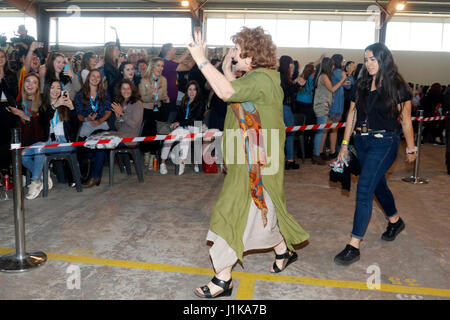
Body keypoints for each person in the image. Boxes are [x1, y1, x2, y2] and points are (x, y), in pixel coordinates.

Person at [187, 27, 309, 298]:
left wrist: (201, 60)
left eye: (239, 49)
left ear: (250, 55)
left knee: (232, 213)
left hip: (256, 162)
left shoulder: (263, 80)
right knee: (261, 211)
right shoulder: (258, 78)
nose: (235, 52)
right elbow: (236, 91)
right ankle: (283, 250)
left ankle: (223, 278)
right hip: (254, 159)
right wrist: (226, 66)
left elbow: (227, 92)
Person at [334, 42, 417, 266]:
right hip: (362, 142)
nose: (369, 64)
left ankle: (354, 245)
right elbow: (352, 114)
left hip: (385, 143)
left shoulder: (398, 86)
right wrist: (344, 144)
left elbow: (406, 120)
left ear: (384, 59)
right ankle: (395, 221)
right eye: (366, 59)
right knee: (377, 184)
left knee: (364, 188)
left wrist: (410, 147)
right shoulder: (362, 82)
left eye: (373, 59)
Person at [21, 80, 78, 199]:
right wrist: (55, 105)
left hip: (65, 142)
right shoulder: (44, 107)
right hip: (49, 141)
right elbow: (43, 120)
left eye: (58, 88)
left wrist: (72, 108)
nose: (55, 91)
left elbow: (76, 126)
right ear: (48, 90)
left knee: (40, 148)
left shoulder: (66, 105)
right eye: (52, 87)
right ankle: (43, 176)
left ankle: (35, 182)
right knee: (23, 155)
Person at [159, 80, 204, 176]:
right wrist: (174, 123)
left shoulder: (200, 103)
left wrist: (179, 123)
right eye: (189, 89)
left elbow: (195, 119)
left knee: (185, 137)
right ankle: (162, 163)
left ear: (197, 91)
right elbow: (179, 116)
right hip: (183, 127)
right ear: (186, 91)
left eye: (194, 90)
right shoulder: (184, 101)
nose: (192, 92)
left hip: (195, 127)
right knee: (169, 138)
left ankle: (182, 162)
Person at [312, 58, 346, 165]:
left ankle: (318, 153)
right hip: (322, 106)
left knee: (322, 131)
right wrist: (342, 80)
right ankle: (316, 155)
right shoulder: (323, 76)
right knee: (321, 131)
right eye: (331, 65)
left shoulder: (322, 75)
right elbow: (332, 89)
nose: (333, 67)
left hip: (324, 106)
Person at [139, 57, 169, 170]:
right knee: (147, 134)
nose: (160, 68)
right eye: (158, 65)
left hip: (158, 110)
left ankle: (153, 156)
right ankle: (146, 155)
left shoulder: (164, 80)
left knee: (157, 134)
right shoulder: (144, 80)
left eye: (162, 66)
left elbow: (164, 94)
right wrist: (152, 95)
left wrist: (166, 98)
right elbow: (141, 98)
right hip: (147, 110)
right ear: (152, 66)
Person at [159, 43, 195, 122]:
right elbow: (188, 67)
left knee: (168, 117)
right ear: (168, 52)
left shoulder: (166, 62)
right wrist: (197, 57)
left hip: (170, 96)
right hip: (168, 97)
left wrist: (188, 50)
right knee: (168, 120)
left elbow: (178, 60)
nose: (175, 50)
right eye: (173, 49)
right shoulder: (167, 64)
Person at [74, 69, 112, 139]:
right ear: (88, 77)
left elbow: (108, 111)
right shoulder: (80, 95)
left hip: (102, 125)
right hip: (87, 125)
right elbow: (79, 115)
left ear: (100, 79)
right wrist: (87, 119)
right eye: (93, 76)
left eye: (98, 77)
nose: (95, 78)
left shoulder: (105, 93)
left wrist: (99, 121)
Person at [278, 55, 301, 170]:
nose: (293, 65)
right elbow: (285, 92)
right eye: (291, 62)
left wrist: (294, 82)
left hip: (282, 107)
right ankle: (290, 160)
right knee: (290, 133)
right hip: (284, 107)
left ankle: (286, 159)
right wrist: (297, 85)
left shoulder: (281, 74)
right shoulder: (281, 75)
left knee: (284, 134)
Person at [0, 49, 19, 170]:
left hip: (8, 109)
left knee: (7, 140)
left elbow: (14, 92)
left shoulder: (11, 74)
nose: (0, 59)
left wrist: (2, 78)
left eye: (2, 56)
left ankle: (5, 168)